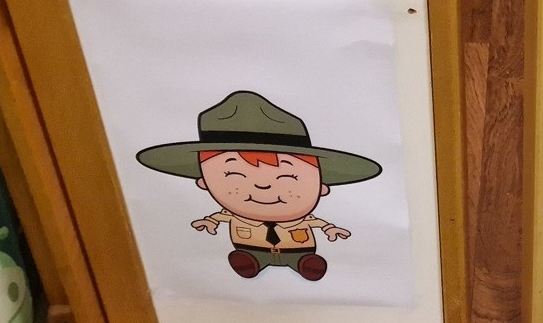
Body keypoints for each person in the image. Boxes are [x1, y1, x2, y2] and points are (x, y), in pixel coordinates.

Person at [137, 91, 381, 281]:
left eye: (287, 178)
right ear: (204, 182)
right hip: (250, 246)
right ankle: (250, 261)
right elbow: (220, 217)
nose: (263, 185)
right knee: (250, 257)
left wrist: (329, 229)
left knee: (302, 258)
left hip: (297, 248)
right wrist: (210, 222)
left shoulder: (301, 220)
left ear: (322, 187)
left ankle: (303, 264)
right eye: (234, 175)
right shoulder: (235, 216)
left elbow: (316, 222)